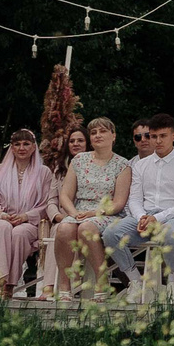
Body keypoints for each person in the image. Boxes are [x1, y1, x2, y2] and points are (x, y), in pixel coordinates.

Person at [104, 113, 174, 294]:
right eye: (154, 136)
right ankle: (135, 282)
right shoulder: (140, 165)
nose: (158, 141)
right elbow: (134, 199)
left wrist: (157, 218)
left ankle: (173, 284)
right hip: (144, 216)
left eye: (163, 136)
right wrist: (141, 217)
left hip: (173, 217)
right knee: (111, 233)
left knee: (172, 234)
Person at [52, 118, 130, 298]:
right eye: (93, 133)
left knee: (87, 228)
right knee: (64, 228)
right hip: (79, 211)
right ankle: (65, 284)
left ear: (113, 136)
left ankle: (101, 281)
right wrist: (74, 213)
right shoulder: (79, 160)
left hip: (106, 214)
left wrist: (95, 213)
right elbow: (65, 195)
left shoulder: (122, 165)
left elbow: (119, 202)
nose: (97, 135)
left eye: (102, 131)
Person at [0, 128, 56, 296]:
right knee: (2, 228)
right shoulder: (0, 169)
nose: (22, 148)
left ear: (33, 147)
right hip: (2, 218)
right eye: (17, 144)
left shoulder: (44, 172)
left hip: (29, 221)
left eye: (26, 144)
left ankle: (10, 284)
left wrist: (25, 216)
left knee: (20, 233)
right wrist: (2, 214)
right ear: (12, 148)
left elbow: (45, 204)